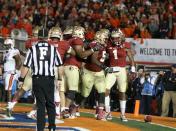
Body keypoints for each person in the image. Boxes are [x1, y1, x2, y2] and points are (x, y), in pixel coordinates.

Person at [18, 28, 63, 131]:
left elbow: (26, 66)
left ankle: (40, 128)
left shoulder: (32, 49)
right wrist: (60, 79)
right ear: (48, 37)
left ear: (38, 37)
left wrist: (21, 79)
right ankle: (52, 127)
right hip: (49, 79)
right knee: (50, 103)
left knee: (41, 104)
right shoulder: (53, 49)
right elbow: (60, 66)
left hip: (37, 79)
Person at [63, 26, 100, 118]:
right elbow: (81, 55)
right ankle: (66, 110)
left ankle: (63, 109)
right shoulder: (77, 40)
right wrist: (93, 49)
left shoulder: (69, 41)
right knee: (72, 90)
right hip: (72, 67)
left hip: (65, 66)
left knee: (64, 90)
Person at [6, 26, 41, 119]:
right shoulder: (42, 42)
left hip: (30, 68)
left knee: (23, 89)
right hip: (40, 69)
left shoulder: (29, 42)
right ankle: (33, 112)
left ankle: (11, 105)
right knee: (40, 92)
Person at [105, 29, 136, 121]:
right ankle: (107, 112)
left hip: (122, 70)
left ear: (121, 37)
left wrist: (133, 70)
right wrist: (105, 67)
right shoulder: (108, 45)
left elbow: (131, 58)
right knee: (105, 90)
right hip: (111, 70)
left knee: (122, 92)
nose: (115, 40)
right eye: (113, 38)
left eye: (117, 38)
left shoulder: (125, 45)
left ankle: (122, 114)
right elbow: (103, 57)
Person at [48, 26, 75, 119]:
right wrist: (65, 56)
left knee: (47, 90)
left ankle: (46, 109)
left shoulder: (47, 42)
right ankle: (62, 110)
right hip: (59, 68)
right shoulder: (64, 44)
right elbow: (74, 53)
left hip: (46, 69)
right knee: (60, 91)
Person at [3, 38, 22, 117]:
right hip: (7, 72)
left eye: (8, 45)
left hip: (11, 72)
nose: (6, 47)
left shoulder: (13, 51)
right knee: (8, 89)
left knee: (9, 89)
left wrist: (15, 71)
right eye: (5, 45)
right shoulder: (7, 52)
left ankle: (9, 106)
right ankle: (9, 105)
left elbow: (19, 62)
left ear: (11, 45)